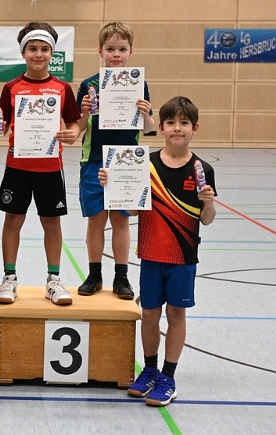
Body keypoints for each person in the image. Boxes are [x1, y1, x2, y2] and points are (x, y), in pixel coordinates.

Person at [99, 96, 216, 407]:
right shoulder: (145, 164)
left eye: (184, 123)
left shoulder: (202, 169)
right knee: (149, 314)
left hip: (183, 257)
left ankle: (168, 377)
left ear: (195, 128)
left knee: (176, 314)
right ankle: (149, 370)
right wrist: (113, 185)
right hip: (151, 254)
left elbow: (207, 219)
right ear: (161, 128)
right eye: (171, 123)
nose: (178, 128)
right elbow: (132, 211)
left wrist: (209, 203)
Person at [0, 22, 81, 306]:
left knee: (51, 222)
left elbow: (74, 123)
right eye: (32, 49)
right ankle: (9, 278)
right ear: (23, 52)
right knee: (13, 220)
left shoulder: (62, 88)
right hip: (17, 167)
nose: (38, 54)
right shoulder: (11, 87)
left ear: (52, 53)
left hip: (50, 168)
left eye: (44, 49)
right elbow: (2, 126)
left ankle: (54, 280)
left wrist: (73, 133)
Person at [76, 22, 154, 299]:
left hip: (127, 162)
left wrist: (145, 113)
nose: (116, 54)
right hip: (94, 160)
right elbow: (79, 127)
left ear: (131, 51)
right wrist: (85, 112)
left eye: (122, 49)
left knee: (121, 220)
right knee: (96, 220)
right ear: (100, 51)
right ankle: (94, 274)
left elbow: (149, 128)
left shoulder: (139, 84)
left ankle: (122, 276)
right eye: (110, 49)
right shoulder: (88, 85)